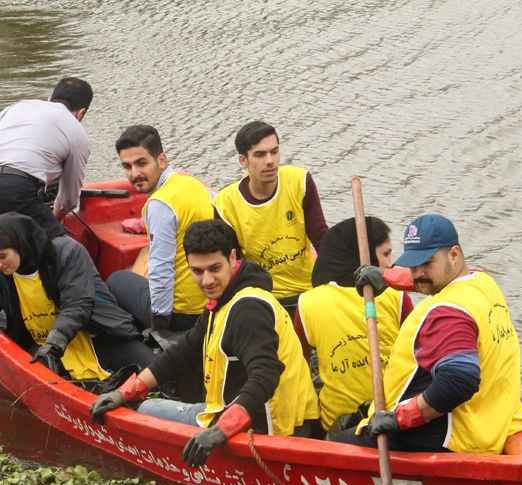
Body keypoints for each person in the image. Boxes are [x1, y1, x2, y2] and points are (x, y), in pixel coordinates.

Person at [88, 220, 318, 467]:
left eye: (214, 268)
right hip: (267, 416)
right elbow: (184, 351)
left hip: (274, 429)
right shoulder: (225, 297)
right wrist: (126, 391)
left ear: (232, 257)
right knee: (149, 399)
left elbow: (266, 374)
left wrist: (221, 430)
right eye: (197, 271)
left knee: (147, 410)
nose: (207, 280)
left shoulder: (248, 311)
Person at [334, 214, 522, 453]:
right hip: (490, 423)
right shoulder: (483, 283)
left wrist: (399, 419)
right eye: (413, 265)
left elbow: (458, 381)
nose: (419, 272)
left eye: (427, 262)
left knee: (336, 445)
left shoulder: (448, 313)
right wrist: (386, 276)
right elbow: (431, 279)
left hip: (455, 439)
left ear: (454, 254)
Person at [0, 213, 153, 401]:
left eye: (2, 256)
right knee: (65, 389)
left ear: (21, 246)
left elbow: (77, 305)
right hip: (41, 347)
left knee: (154, 373)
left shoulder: (66, 254)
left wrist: (54, 345)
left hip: (97, 334)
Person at [295, 217, 413, 434]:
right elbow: (419, 357)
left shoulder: (308, 302)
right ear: (364, 255)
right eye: (385, 254)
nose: (390, 264)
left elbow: (298, 369)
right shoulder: (397, 296)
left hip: (337, 425)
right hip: (393, 416)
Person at [106, 125, 215, 334]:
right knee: (144, 255)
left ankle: (131, 335)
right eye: (127, 166)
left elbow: (161, 269)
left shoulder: (160, 205)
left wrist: (160, 326)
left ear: (161, 160)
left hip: (182, 314)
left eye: (141, 163)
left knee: (117, 280)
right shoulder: (192, 185)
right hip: (209, 302)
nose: (134, 173)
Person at [0, 78, 93, 237]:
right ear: (81, 113)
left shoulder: (20, 106)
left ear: (49, 98)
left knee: (11, 241)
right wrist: (52, 224)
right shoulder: (78, 133)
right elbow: (69, 197)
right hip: (14, 189)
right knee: (55, 244)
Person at [213, 122, 328, 309]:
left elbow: (321, 237)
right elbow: (231, 265)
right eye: (260, 154)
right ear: (243, 160)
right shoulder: (226, 204)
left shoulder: (300, 181)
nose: (270, 161)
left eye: (274, 152)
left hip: (308, 293)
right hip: (263, 300)